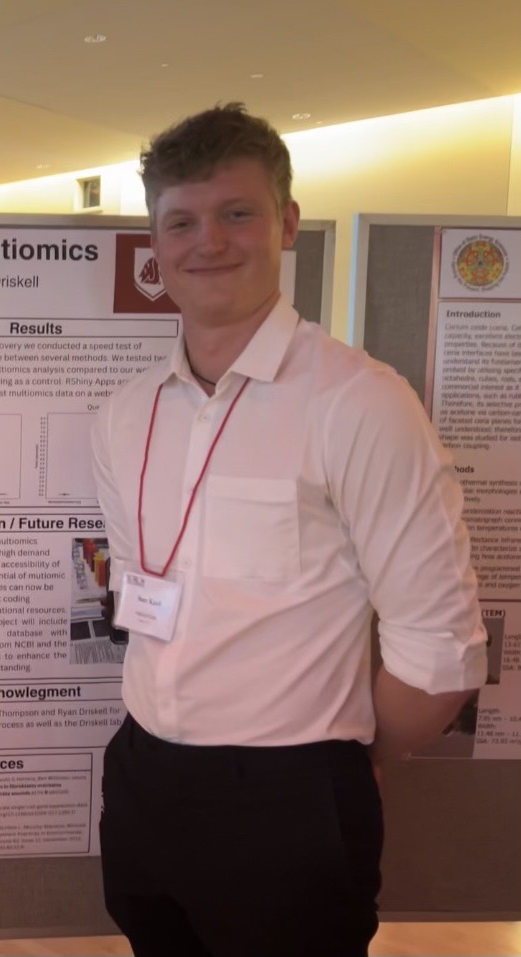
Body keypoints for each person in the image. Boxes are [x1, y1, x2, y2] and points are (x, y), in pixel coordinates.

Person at [90, 104, 487, 957]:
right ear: (155, 243)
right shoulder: (126, 414)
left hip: (289, 793)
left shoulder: (359, 402)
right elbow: (135, 587)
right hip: (144, 777)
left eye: (237, 213)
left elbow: (442, 655)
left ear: (287, 222)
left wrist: (336, 760)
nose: (209, 242)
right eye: (182, 222)